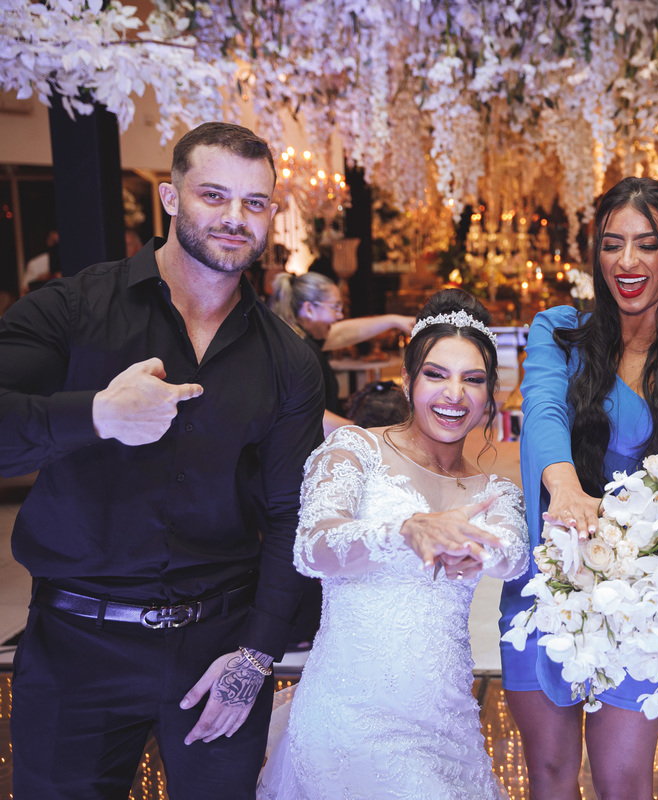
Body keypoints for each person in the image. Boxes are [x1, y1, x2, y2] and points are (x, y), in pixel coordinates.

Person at [0, 122, 325, 798]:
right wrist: (96, 415)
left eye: (255, 203)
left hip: (219, 649)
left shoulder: (288, 358)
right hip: (74, 647)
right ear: (169, 197)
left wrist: (257, 655)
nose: (236, 218)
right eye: (214, 195)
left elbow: (293, 512)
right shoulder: (73, 311)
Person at [500, 176, 658, 798]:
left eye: (646, 245)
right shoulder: (559, 330)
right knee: (549, 774)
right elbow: (544, 412)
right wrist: (565, 490)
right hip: (543, 574)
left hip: (634, 602)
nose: (626, 262)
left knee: (623, 780)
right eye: (611, 244)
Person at [256, 289, 528, 799]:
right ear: (407, 381)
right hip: (349, 718)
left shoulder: (495, 493)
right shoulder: (354, 449)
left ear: (491, 394)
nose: (455, 395)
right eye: (436, 375)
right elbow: (311, 547)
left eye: (473, 380)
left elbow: (513, 557)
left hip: (447, 726)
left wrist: (481, 551)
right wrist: (404, 530)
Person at [270, 270, 415, 435]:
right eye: (335, 307)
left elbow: (344, 332)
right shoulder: (295, 353)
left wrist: (395, 320)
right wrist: (366, 433)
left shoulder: (298, 339)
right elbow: (302, 411)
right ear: (309, 308)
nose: (339, 316)